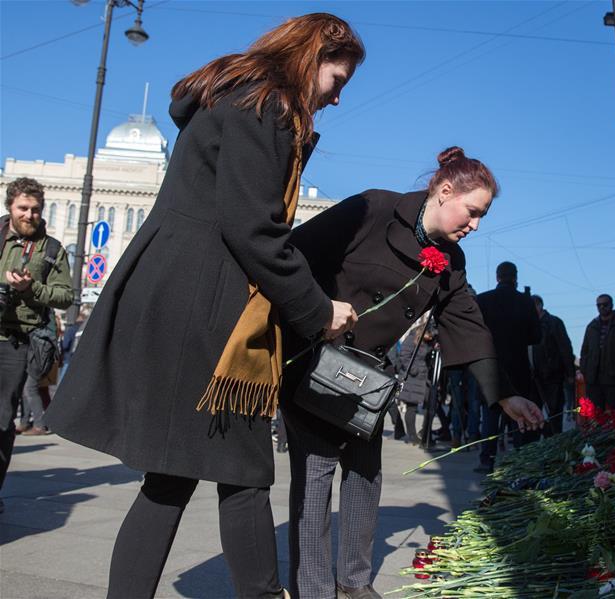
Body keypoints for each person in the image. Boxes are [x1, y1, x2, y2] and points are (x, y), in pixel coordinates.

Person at [45, 14, 364, 599]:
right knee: (238, 471)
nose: (338, 97)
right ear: (308, 57)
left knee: (177, 474)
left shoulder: (237, 97)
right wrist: (319, 309)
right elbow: (255, 230)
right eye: (337, 79)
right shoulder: (265, 106)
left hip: (182, 294)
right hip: (207, 307)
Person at [280, 147, 544, 599]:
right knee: (318, 471)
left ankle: (355, 582)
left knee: (366, 476)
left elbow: (469, 327)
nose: (475, 226)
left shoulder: (451, 263)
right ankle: (313, 589)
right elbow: (296, 254)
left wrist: (504, 396)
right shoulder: (375, 208)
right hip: (317, 363)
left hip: (367, 380)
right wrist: (318, 312)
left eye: (482, 217)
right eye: (473, 212)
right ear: (444, 191)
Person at [0, 177, 74, 511]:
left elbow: (65, 296)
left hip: (16, 342)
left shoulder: (52, 249)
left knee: (2, 420)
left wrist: (32, 290)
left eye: (35, 209)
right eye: (23, 208)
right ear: (10, 208)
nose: (30, 215)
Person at [474, 262, 542, 473]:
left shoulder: (483, 300)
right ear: (515, 278)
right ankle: (520, 459)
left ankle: (487, 458)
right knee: (519, 416)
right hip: (518, 368)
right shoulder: (525, 301)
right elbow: (536, 336)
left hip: (491, 366)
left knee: (490, 416)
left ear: (497, 277)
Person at [531, 294, 575, 435]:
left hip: (552, 375)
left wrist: (570, 373)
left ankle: (555, 441)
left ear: (539, 306)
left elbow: (565, 348)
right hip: (534, 377)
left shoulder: (553, 323)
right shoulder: (530, 325)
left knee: (554, 413)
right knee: (536, 415)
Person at [394, 323, 435, 446]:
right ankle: (412, 435)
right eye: (429, 335)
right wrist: (414, 370)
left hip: (423, 378)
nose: (431, 338)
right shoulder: (412, 338)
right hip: (412, 377)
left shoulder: (427, 341)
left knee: (431, 405)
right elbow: (404, 355)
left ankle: (425, 432)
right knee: (411, 407)